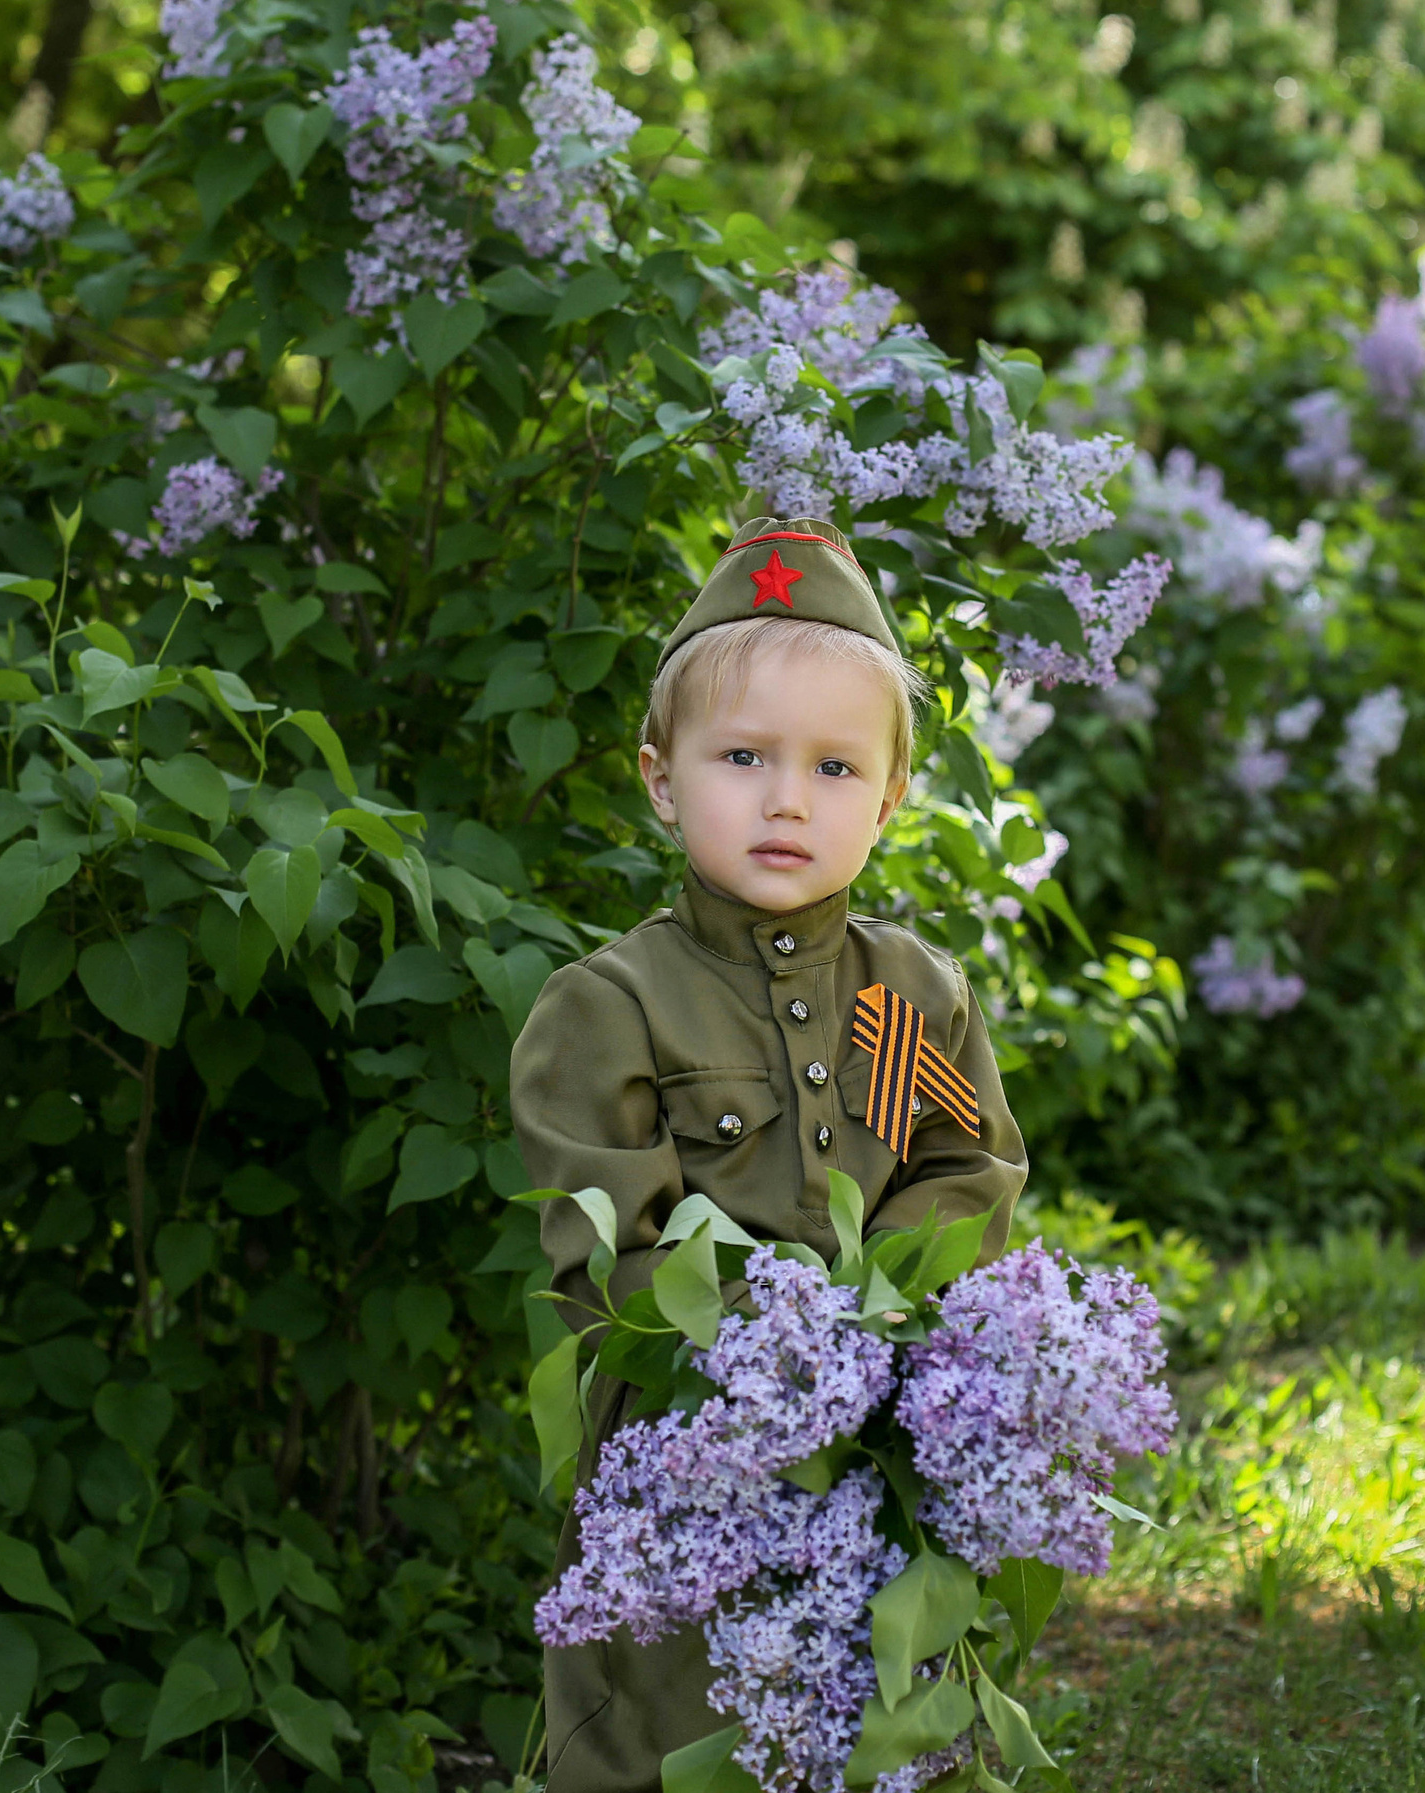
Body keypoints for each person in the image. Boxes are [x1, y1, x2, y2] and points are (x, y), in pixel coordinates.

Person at [509, 516, 1030, 1793]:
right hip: (694, 1451)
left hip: (893, 1437)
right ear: (661, 775)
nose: (789, 797)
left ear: (892, 798)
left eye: (836, 768)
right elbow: (611, 1250)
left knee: (887, 1703)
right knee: (667, 1726)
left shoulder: (918, 990)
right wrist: (770, 1356)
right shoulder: (608, 1004)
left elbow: (970, 1170)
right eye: (743, 755)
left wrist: (886, 1326)